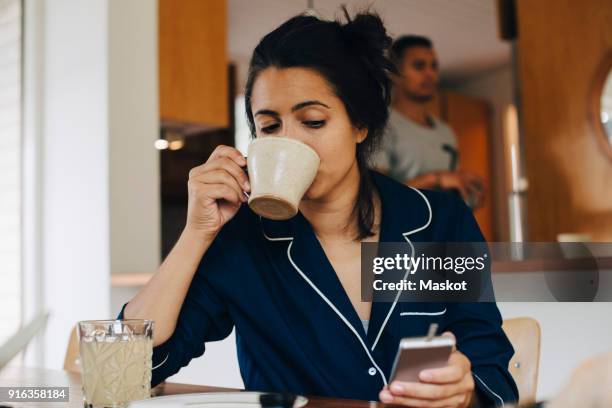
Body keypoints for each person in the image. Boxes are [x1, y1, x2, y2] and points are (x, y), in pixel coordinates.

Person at [119, 9, 517, 407]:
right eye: (270, 127)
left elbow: (491, 373)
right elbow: (127, 371)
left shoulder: (436, 222)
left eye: (312, 121)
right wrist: (196, 233)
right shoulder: (243, 241)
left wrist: (464, 392)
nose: (289, 143)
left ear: (359, 124)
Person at [374, 35, 484, 208]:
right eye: (419, 66)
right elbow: (378, 195)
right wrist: (436, 179)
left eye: (434, 66)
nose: (430, 74)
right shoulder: (381, 125)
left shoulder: (445, 131)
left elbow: (452, 189)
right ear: (395, 73)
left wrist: (466, 187)